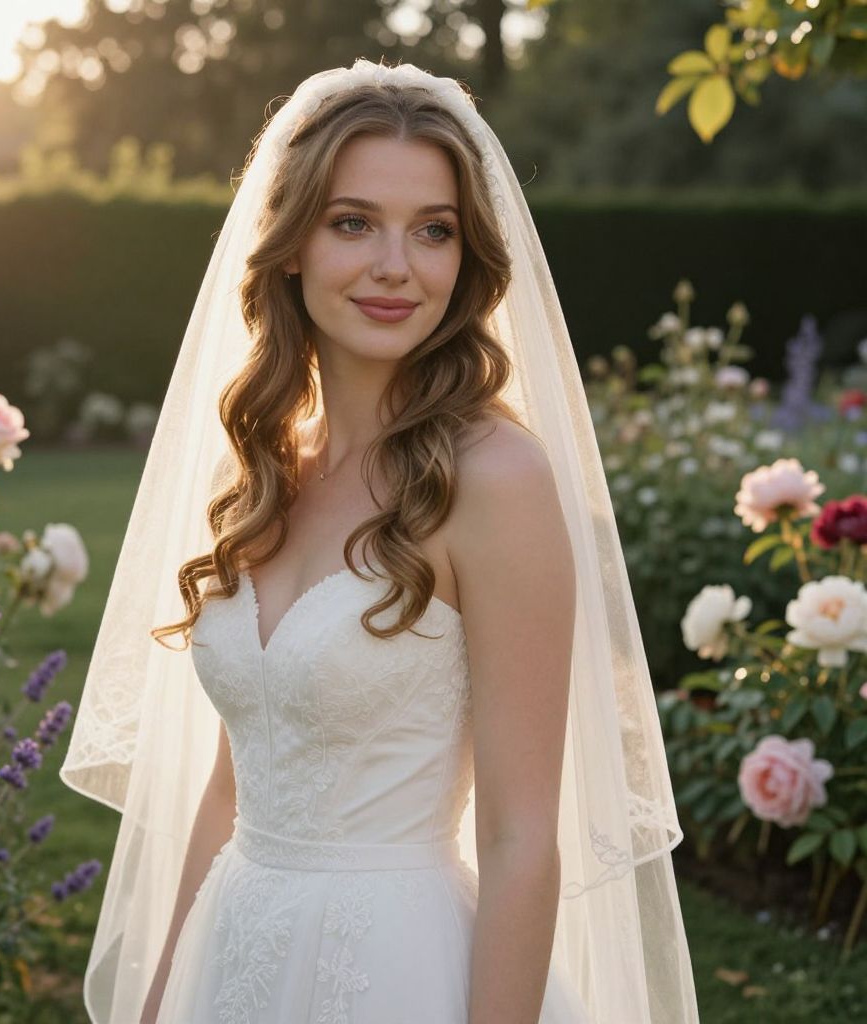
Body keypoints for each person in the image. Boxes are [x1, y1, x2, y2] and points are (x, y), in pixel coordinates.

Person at [61, 59, 700, 1024]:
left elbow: (525, 835)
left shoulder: (495, 481)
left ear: (466, 258)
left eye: (433, 231)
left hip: (394, 970)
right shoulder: (271, 464)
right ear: (289, 246)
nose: (397, 265)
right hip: (231, 950)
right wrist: (157, 1003)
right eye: (352, 222)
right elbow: (235, 786)